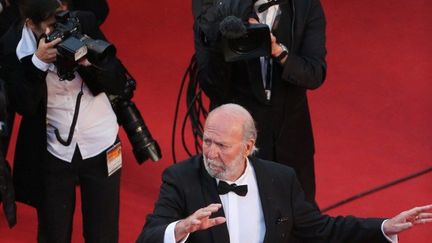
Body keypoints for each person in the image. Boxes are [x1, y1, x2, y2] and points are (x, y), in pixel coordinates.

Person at [137, 103, 432, 243]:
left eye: (222, 145)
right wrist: (181, 229)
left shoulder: (280, 179)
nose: (211, 153)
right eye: (207, 141)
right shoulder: (180, 178)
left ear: (248, 145)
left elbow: (321, 230)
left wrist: (384, 226)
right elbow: (147, 237)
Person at [0, 0, 126, 242]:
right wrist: (38, 62)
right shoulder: (11, 45)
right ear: (30, 24)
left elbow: (118, 81)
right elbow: (24, 106)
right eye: (48, 26)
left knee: (104, 235)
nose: (56, 32)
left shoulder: (83, 22)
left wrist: (92, 61)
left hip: (101, 141)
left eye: (60, 19)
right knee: (53, 235)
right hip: (53, 152)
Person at [193, 0, 326, 205]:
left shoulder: (304, 6)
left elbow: (314, 74)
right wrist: (223, 41)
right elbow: (212, 86)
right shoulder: (218, 7)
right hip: (236, 145)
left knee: (300, 225)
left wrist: (277, 51)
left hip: (291, 144)